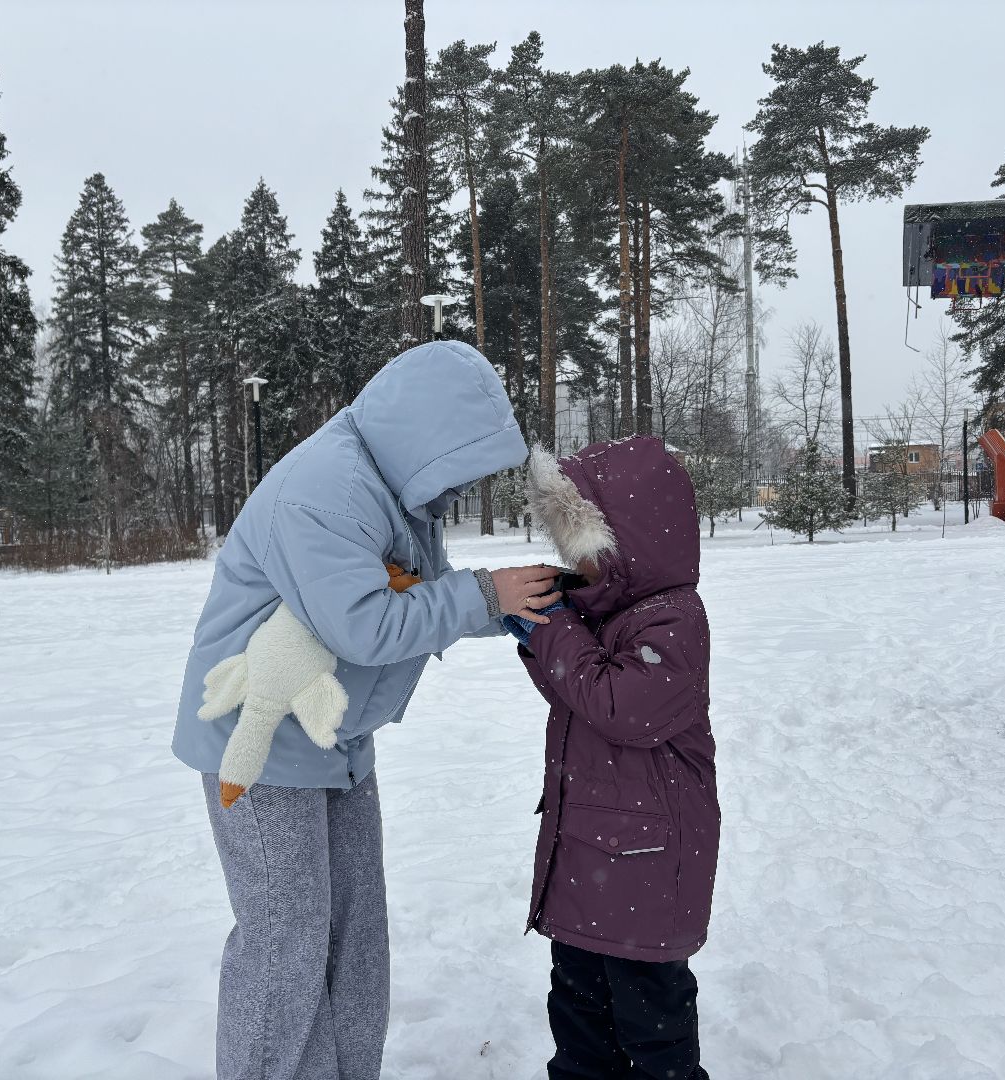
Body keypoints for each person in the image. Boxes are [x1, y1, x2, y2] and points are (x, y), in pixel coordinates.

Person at [171, 340, 562, 1080]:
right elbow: (366, 625)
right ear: (428, 435)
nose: (463, 487)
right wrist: (484, 593)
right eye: (463, 463)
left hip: (337, 737)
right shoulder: (325, 489)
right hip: (259, 740)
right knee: (285, 938)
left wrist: (514, 607)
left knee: (355, 933)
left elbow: (417, 596)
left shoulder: (396, 488)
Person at [514, 438, 719, 1080]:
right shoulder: (602, 615)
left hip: (646, 865)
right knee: (578, 1011)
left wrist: (552, 630)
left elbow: (622, 708)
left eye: (588, 555)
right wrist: (544, 629)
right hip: (587, 852)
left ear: (631, 543)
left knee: (651, 1016)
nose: (578, 567)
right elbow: (573, 692)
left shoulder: (674, 621)